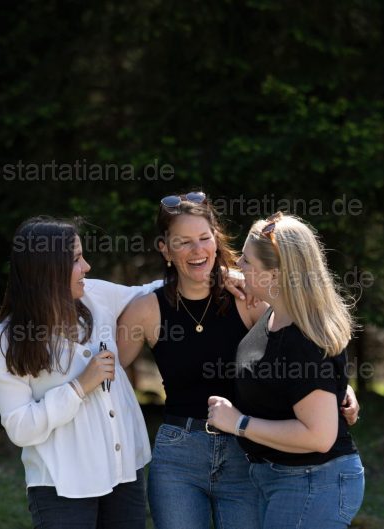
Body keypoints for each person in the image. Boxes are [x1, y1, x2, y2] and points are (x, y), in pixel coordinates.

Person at [117, 194, 360, 529]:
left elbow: (306, 344)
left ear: (216, 241)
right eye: (183, 242)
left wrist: (339, 388)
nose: (197, 250)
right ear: (165, 249)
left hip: (245, 451)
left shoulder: (249, 296)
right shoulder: (147, 309)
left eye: (204, 238)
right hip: (179, 454)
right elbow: (108, 374)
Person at [0, 216, 163, 529]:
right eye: (76, 259)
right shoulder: (7, 339)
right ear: (48, 270)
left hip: (124, 472)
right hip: (61, 486)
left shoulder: (95, 297)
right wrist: (79, 388)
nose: (87, 267)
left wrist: (222, 276)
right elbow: (19, 428)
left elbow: (152, 293)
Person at [206, 212, 365, 529]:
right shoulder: (275, 315)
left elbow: (319, 436)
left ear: (275, 275)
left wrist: (238, 423)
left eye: (247, 261)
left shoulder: (302, 340)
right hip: (282, 478)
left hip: (312, 481)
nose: (239, 267)